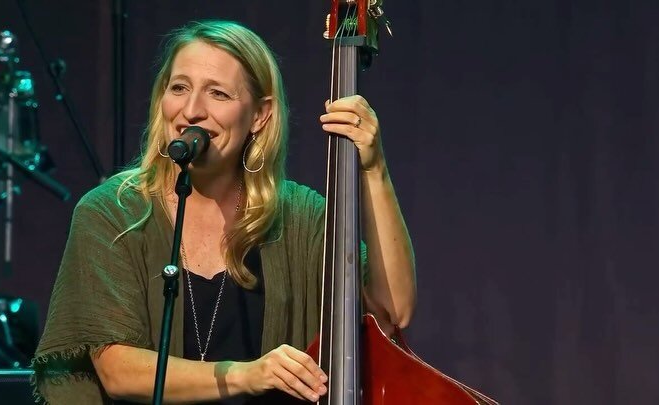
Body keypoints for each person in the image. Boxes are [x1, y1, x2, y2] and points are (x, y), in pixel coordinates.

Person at [32, 20, 416, 404]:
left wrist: (374, 168)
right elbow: (118, 370)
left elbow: (392, 312)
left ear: (260, 115)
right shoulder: (112, 212)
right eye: (179, 88)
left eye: (217, 93)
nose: (191, 110)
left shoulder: (300, 218)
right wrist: (247, 374)